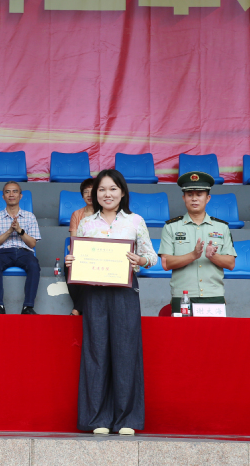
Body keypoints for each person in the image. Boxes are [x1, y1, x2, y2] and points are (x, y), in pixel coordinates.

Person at [64, 169, 157, 436]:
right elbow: (78, 256)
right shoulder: (86, 223)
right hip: (94, 293)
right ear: (95, 194)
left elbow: (151, 257)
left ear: (122, 192)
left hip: (125, 292)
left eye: (113, 189)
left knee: (126, 352)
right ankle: (97, 419)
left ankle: (126, 419)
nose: (107, 194)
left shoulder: (135, 221)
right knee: (96, 352)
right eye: (102, 189)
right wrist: (72, 261)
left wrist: (140, 260)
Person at [159, 171, 236, 313]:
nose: (194, 199)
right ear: (183, 198)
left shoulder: (222, 227)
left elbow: (231, 263)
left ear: (208, 198)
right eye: (189, 195)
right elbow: (166, 263)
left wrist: (213, 256)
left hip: (214, 295)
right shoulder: (171, 227)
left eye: (199, 194)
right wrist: (193, 255)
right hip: (183, 296)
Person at [0, 181, 41, 314]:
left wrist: (20, 230)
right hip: (3, 252)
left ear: (20, 196)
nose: (11, 194)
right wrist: (10, 231)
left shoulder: (30, 217)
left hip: (24, 252)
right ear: (3, 196)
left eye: (15, 191)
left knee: (34, 265)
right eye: (7, 192)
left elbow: (32, 244)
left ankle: (28, 307)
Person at [67, 178, 95, 316]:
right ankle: (80, 307)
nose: (89, 195)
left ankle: (77, 309)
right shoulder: (77, 214)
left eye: (92, 191)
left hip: (99, 253)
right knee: (69, 265)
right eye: (85, 192)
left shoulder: (105, 213)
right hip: (82, 252)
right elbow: (74, 240)